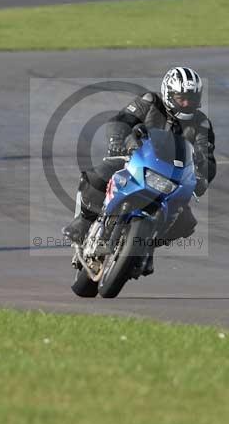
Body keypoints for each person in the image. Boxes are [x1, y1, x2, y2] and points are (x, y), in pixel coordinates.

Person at [62, 66, 216, 275]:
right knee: (99, 175)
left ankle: (145, 245)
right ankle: (85, 220)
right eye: (182, 98)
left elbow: (206, 156)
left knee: (185, 222)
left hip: (171, 177)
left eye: (192, 98)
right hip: (135, 160)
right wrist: (119, 139)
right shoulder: (150, 102)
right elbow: (122, 120)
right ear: (169, 94)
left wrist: (202, 176)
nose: (187, 103)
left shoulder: (201, 123)